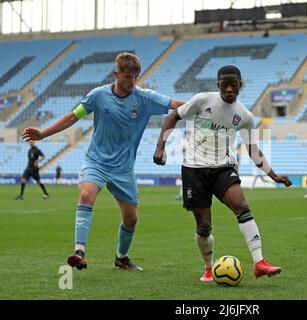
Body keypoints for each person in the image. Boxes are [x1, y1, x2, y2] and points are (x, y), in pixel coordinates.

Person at [22, 52, 185, 271]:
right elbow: (73, 116)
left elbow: (177, 105)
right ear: (116, 73)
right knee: (86, 194)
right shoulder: (97, 96)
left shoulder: (145, 98)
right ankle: (79, 251)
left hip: (124, 168)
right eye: (128, 76)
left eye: (136, 76)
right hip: (96, 162)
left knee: (131, 218)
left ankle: (121, 257)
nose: (132, 81)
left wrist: (209, 105)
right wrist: (43, 133)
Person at [153, 65, 292, 282]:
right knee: (204, 226)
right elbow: (172, 117)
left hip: (222, 168)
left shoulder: (245, 117)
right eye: (224, 85)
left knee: (242, 207)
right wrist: (160, 147)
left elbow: (253, 149)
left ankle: (259, 262)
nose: (228, 89)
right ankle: (208, 267)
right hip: (194, 169)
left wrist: (273, 174)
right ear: (218, 85)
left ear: (240, 85)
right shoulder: (202, 100)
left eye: (233, 85)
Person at [175, 130, 191, 201]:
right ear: (185, 135)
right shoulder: (183, 142)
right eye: (188, 134)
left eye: (189, 134)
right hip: (186, 163)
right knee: (185, 180)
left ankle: (186, 195)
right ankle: (181, 195)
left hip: (192, 163)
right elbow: (182, 150)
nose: (189, 136)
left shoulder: (191, 142)